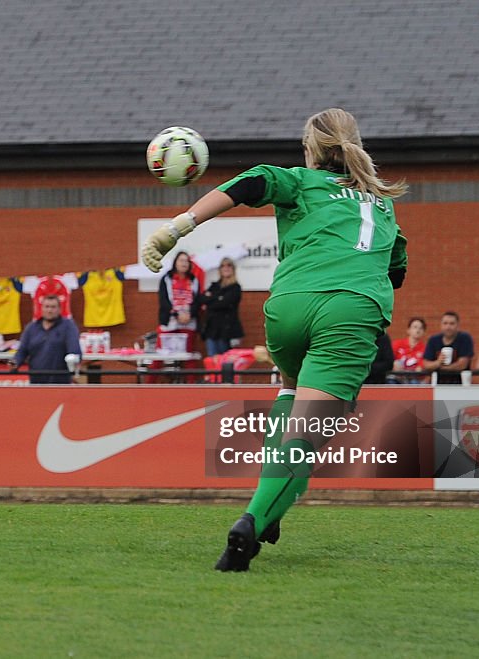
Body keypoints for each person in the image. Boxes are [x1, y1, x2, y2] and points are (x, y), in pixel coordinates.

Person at [141, 108, 408, 571]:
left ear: (310, 150)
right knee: (305, 439)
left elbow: (247, 185)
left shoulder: (299, 181)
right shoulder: (383, 203)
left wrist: (174, 230)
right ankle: (250, 526)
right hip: (349, 313)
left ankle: (270, 509)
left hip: (288, 307)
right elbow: (397, 272)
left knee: (289, 385)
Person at [12, 295, 81, 384]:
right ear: (42, 309)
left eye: (53, 307)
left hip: (60, 383)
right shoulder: (31, 328)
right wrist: (15, 363)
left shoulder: (68, 326)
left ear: (59, 309)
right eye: (47, 307)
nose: (49, 310)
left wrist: (73, 360)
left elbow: (74, 349)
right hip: (36, 383)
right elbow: (22, 351)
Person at [198, 257, 244, 356]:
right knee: (212, 362)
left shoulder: (236, 288)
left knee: (225, 363)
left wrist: (211, 299)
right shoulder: (214, 285)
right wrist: (218, 298)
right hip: (211, 330)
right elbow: (202, 299)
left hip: (227, 331)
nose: (225, 268)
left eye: (229, 265)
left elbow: (225, 303)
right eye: (222, 266)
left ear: (233, 269)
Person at [422, 311, 474, 385]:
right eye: (445, 323)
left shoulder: (464, 338)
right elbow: (426, 364)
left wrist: (439, 367)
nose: (448, 327)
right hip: (437, 384)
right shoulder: (433, 340)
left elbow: (462, 364)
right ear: (441, 325)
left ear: (458, 325)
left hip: (460, 384)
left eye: (452, 324)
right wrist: (438, 362)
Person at [158, 251, 202, 331]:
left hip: (189, 322)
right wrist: (176, 314)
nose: (184, 263)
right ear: (175, 263)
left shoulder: (194, 280)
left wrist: (190, 314)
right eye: (181, 260)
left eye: (186, 261)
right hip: (170, 322)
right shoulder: (166, 279)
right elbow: (163, 300)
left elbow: (197, 300)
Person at [391, 316, 426, 382]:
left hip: (414, 379)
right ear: (408, 330)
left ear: (424, 332)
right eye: (415, 327)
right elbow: (389, 359)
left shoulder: (425, 349)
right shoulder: (397, 344)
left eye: (421, 328)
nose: (418, 330)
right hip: (397, 377)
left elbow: (420, 368)